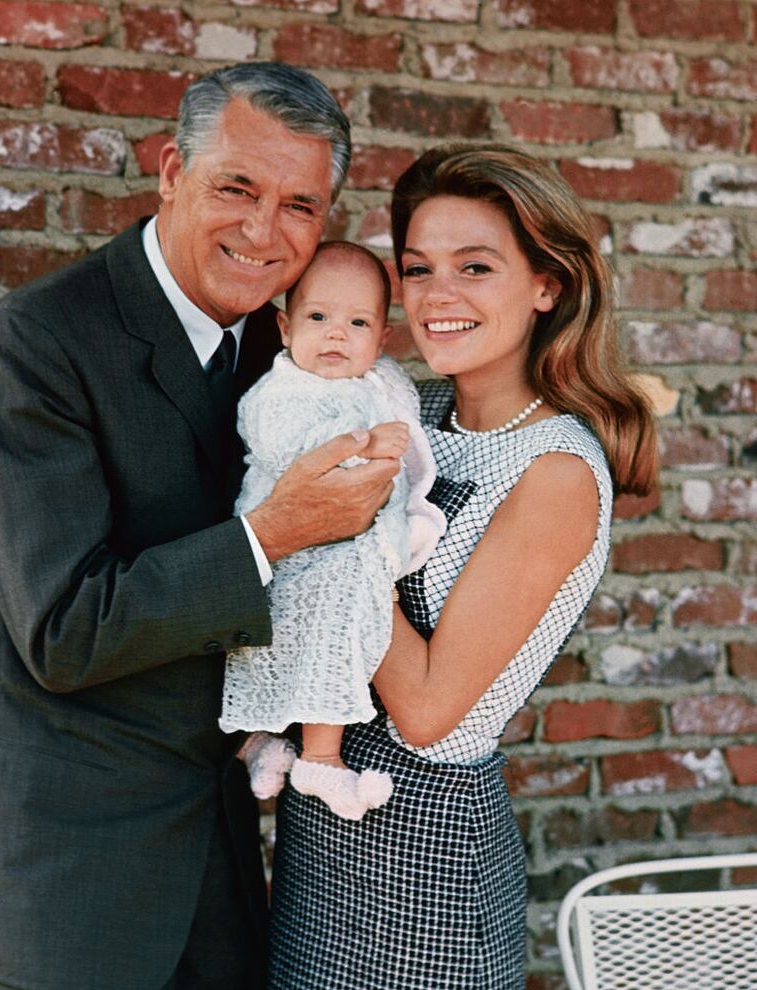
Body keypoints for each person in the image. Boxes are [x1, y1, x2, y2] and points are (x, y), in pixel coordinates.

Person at [0, 63, 404, 990]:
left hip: (222, 856)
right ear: (170, 172)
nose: (262, 230)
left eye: (299, 206)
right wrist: (278, 531)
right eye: (235, 187)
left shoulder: (287, 347)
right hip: (72, 880)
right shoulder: (38, 344)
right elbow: (64, 628)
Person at [269, 143, 658, 990]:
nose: (436, 297)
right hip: (324, 823)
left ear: (545, 285)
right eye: (418, 269)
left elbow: (429, 710)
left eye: (475, 267)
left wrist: (324, 537)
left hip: (426, 845)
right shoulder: (416, 406)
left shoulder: (554, 472)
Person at [220, 241, 446, 821]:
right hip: (297, 551)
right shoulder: (283, 392)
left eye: (358, 322)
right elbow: (299, 455)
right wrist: (369, 446)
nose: (336, 335)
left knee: (337, 641)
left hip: (353, 547)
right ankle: (319, 757)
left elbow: (406, 430)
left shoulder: (381, 382)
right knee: (314, 643)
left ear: (381, 339)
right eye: (318, 317)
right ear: (285, 326)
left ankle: (263, 745)